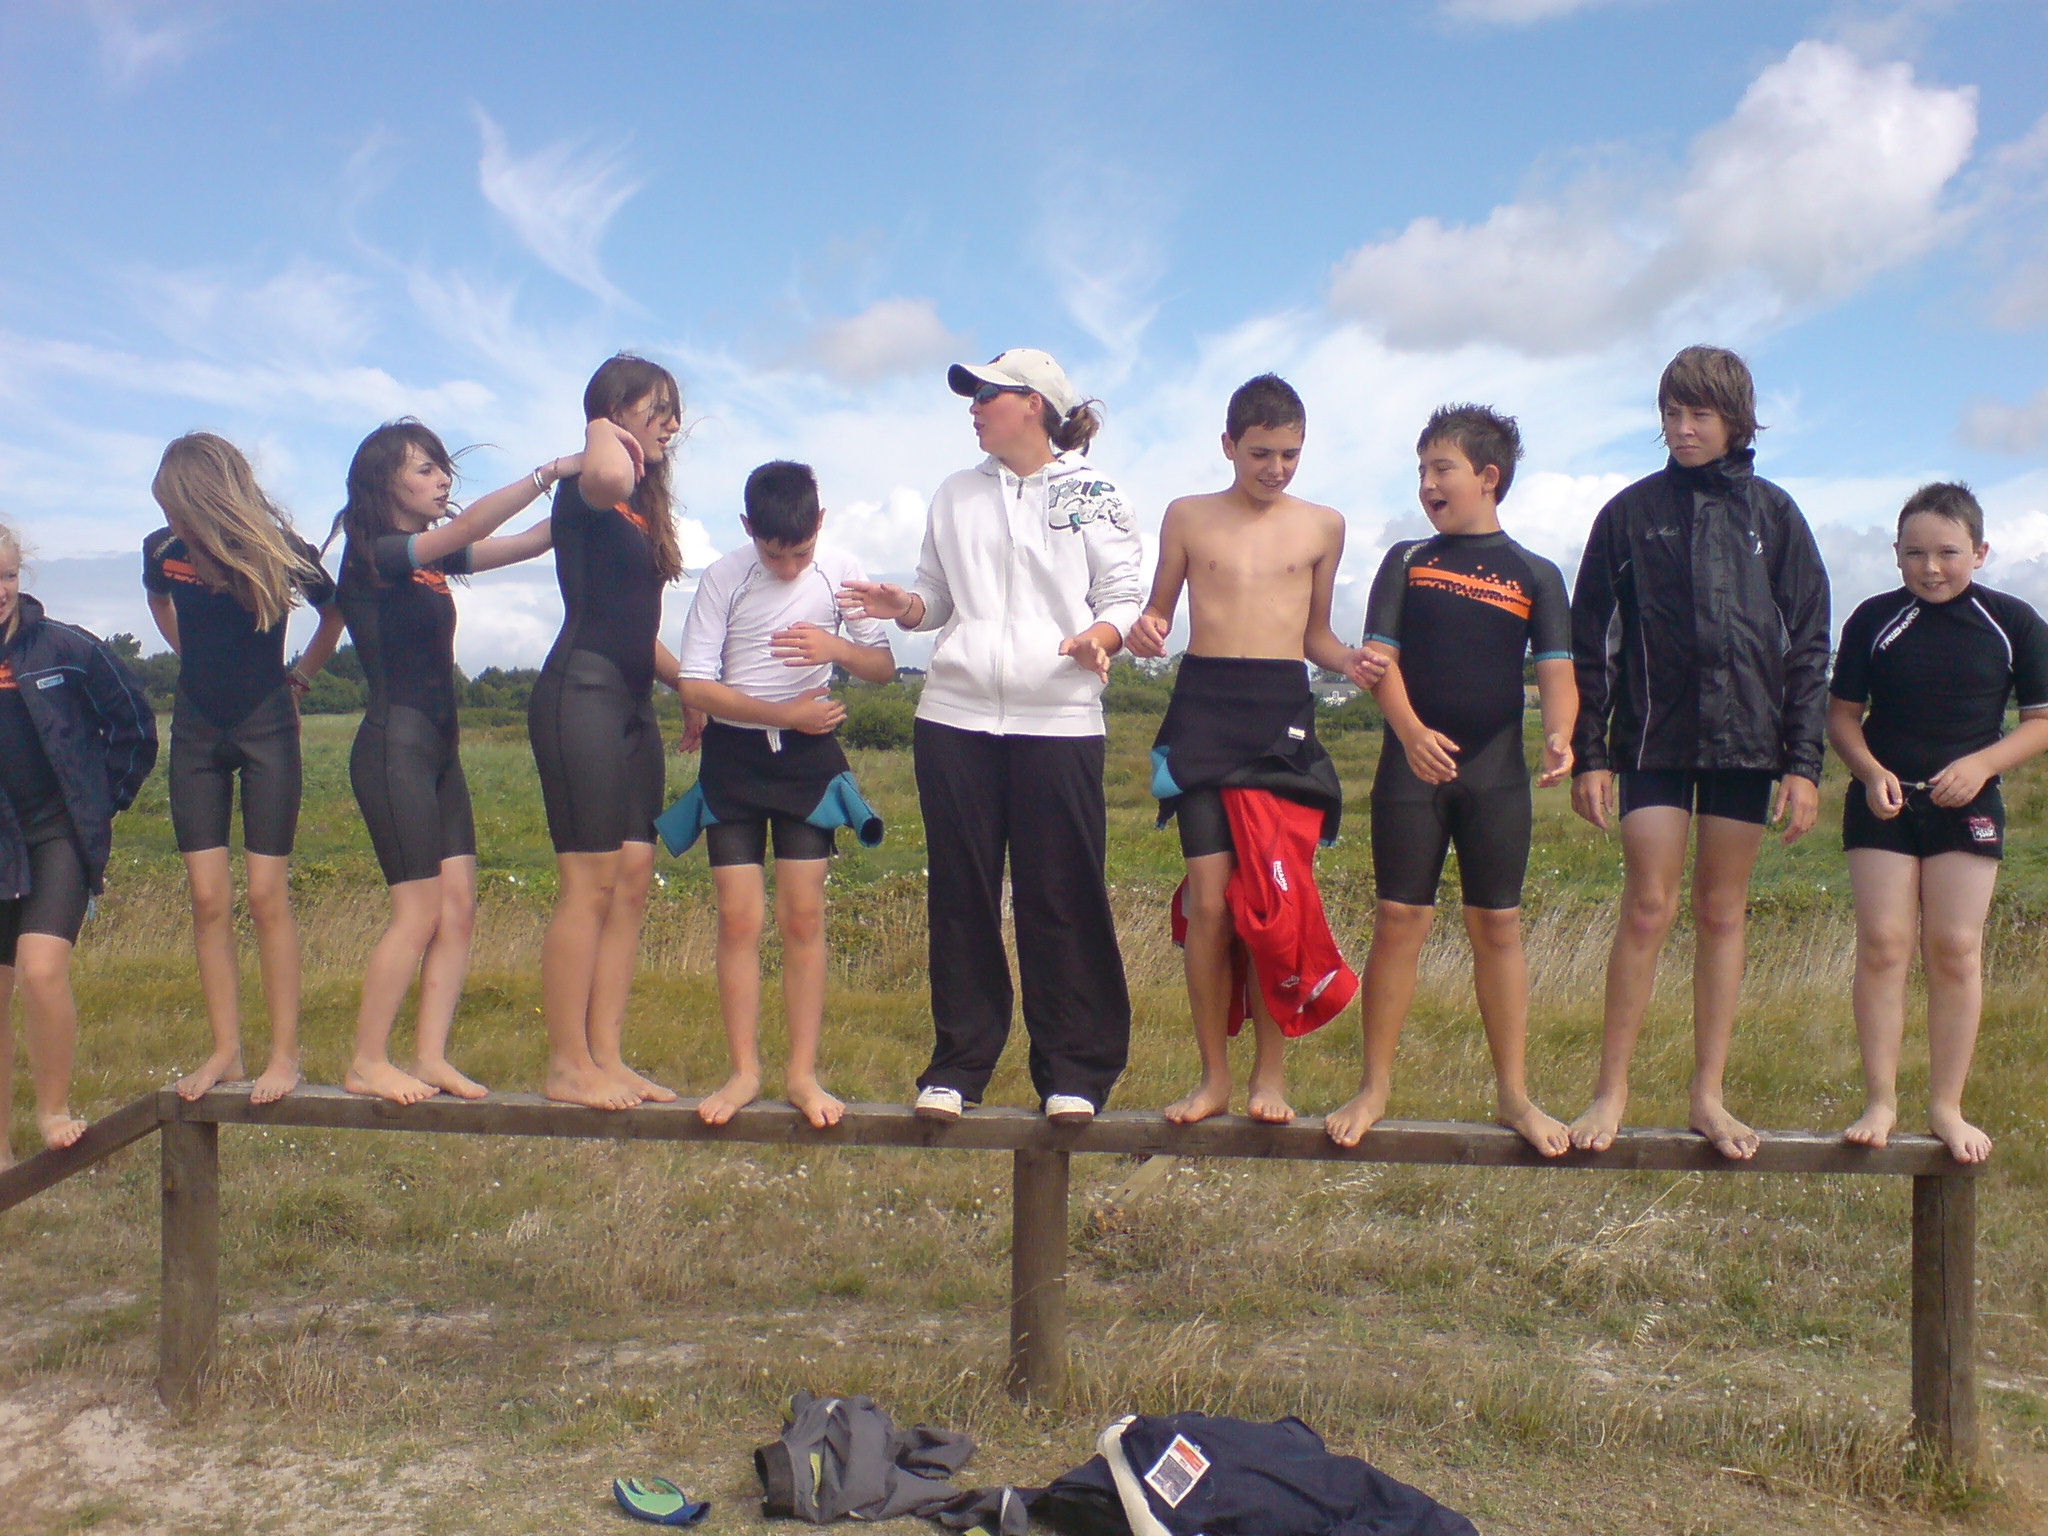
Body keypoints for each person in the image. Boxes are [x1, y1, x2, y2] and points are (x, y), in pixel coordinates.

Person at [840, 348, 1144, 1125]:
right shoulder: (954, 493)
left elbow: (1122, 594)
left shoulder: (1096, 492)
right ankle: (958, 1066)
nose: (973, 407)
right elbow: (937, 599)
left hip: (1060, 719)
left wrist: (1100, 636)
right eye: (972, 395)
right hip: (955, 719)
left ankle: (1075, 1071)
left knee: (1061, 895)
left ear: (1034, 403)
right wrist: (904, 607)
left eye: (987, 394)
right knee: (962, 896)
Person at [1567, 346, 1830, 1159]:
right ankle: (1610, 1091)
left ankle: (1707, 1096)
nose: (1682, 429)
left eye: (1699, 415)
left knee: (1722, 912)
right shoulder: (1627, 514)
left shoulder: (1775, 515)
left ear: (1736, 421)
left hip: (1748, 744)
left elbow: (1809, 644)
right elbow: (1588, 643)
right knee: (1648, 906)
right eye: (1672, 414)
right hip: (1651, 738)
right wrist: (1590, 753)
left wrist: (1803, 764)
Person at [1126, 374, 1380, 1125]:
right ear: (1229, 445)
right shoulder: (1187, 515)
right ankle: (1214, 1078)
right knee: (1210, 903)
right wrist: (1145, 629)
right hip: (1203, 711)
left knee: (1271, 901)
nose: (1276, 469)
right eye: (1262, 453)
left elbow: (1316, 636)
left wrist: (1350, 662)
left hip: (1279, 717)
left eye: (1290, 455)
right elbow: (1158, 614)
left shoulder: (1324, 525)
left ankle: (1271, 1076)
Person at [1324, 405, 1575, 1156]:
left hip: (1496, 772)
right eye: (1422, 470)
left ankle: (1515, 1096)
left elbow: (1557, 672)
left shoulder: (1536, 574)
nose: (1427, 483)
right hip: (1411, 765)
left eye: (1442, 468)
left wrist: (1560, 734)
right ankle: (1374, 1087)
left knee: (1498, 926)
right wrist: (1410, 733)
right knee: (1398, 919)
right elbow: (1379, 660)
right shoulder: (1406, 559)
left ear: (1488, 477)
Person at [332, 420, 567, 1104]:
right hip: (392, 749)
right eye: (425, 469)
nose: (443, 481)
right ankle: (366, 1061)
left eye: (443, 469)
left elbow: (533, 541)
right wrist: (549, 473)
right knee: (418, 912)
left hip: (440, 754)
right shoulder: (374, 554)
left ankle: (430, 1056)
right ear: (385, 483)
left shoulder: (432, 561)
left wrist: (597, 497)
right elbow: (466, 530)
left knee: (458, 909)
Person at [670, 461, 896, 1129]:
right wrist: (783, 715)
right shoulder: (723, 577)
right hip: (735, 760)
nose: (791, 566)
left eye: (801, 551)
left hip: (808, 761)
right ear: (748, 528)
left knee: (803, 916)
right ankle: (744, 1070)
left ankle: (802, 1073)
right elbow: (694, 685)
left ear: (820, 523)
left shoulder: (842, 571)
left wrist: (836, 648)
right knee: (738, 919)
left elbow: (882, 667)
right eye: (775, 553)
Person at [1828, 483, 2048, 1164]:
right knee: (1884, 946)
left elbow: (2041, 722)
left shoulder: (2013, 622)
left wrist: (1982, 766)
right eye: (1915, 553)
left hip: (1968, 806)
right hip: (1884, 802)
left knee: (1954, 949)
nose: (1930, 568)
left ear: (1979, 552)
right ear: (1895, 553)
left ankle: (1947, 1107)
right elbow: (1841, 716)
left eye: (1948, 553)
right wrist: (1869, 772)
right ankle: (1880, 1101)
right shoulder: (1873, 619)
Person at [144, 433, 347, 1105]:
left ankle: (284, 1055)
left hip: (267, 727)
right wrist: (189, 655)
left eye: (177, 509)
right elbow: (158, 601)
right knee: (207, 899)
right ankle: (225, 1052)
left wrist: (302, 678)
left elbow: (334, 611)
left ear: (206, 498)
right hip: (196, 729)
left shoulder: (278, 549)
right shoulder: (162, 552)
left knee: (265, 896)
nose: (171, 523)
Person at [530, 354, 690, 1111]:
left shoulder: (640, 507)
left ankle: (606, 1056)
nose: (672, 424)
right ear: (617, 409)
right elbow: (604, 471)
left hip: (632, 703)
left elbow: (635, 626)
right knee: (588, 883)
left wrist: (690, 689)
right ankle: (566, 1065)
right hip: (580, 696)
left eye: (674, 412)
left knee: (629, 883)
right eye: (657, 408)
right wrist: (602, 426)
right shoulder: (593, 486)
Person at [0, 520, 155, 1159]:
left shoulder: (66, 647)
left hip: (55, 833)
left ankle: (52, 1109)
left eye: (7, 575)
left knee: (40, 971)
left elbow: (133, 725)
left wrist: (99, 806)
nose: (0, 590)